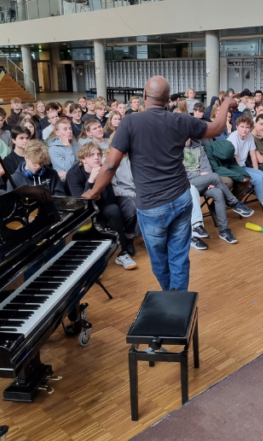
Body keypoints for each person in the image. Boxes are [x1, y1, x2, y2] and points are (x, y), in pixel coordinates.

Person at [81, 76, 237, 292]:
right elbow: (218, 128)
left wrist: (94, 192)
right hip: (182, 199)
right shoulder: (180, 120)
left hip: (152, 206)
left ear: (144, 96)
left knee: (159, 259)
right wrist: (227, 103)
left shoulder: (130, 122)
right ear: (167, 100)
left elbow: (109, 165)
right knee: (179, 256)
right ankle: (178, 299)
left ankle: (168, 295)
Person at [66, 143, 138, 269]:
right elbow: (80, 201)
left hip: (104, 204)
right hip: (84, 211)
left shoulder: (103, 169)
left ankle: (123, 253)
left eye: (99, 154)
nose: (97, 157)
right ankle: (101, 256)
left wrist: (101, 182)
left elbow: (110, 198)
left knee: (116, 208)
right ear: (83, 159)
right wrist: (91, 180)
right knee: (112, 210)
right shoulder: (73, 173)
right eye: (92, 155)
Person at [184, 137, 253, 244]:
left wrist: (205, 179)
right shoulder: (174, 149)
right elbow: (180, 173)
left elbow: (207, 169)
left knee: (218, 192)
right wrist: (202, 176)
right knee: (215, 177)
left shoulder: (198, 147)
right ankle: (234, 203)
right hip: (187, 184)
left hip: (202, 182)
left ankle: (224, 230)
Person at [225, 115, 263, 220]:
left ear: (250, 127)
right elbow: (234, 162)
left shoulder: (249, 136)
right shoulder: (233, 138)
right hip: (233, 168)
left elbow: (253, 156)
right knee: (258, 179)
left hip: (243, 166)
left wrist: (257, 171)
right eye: (242, 127)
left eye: (247, 127)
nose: (245, 130)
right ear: (237, 127)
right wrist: (244, 176)